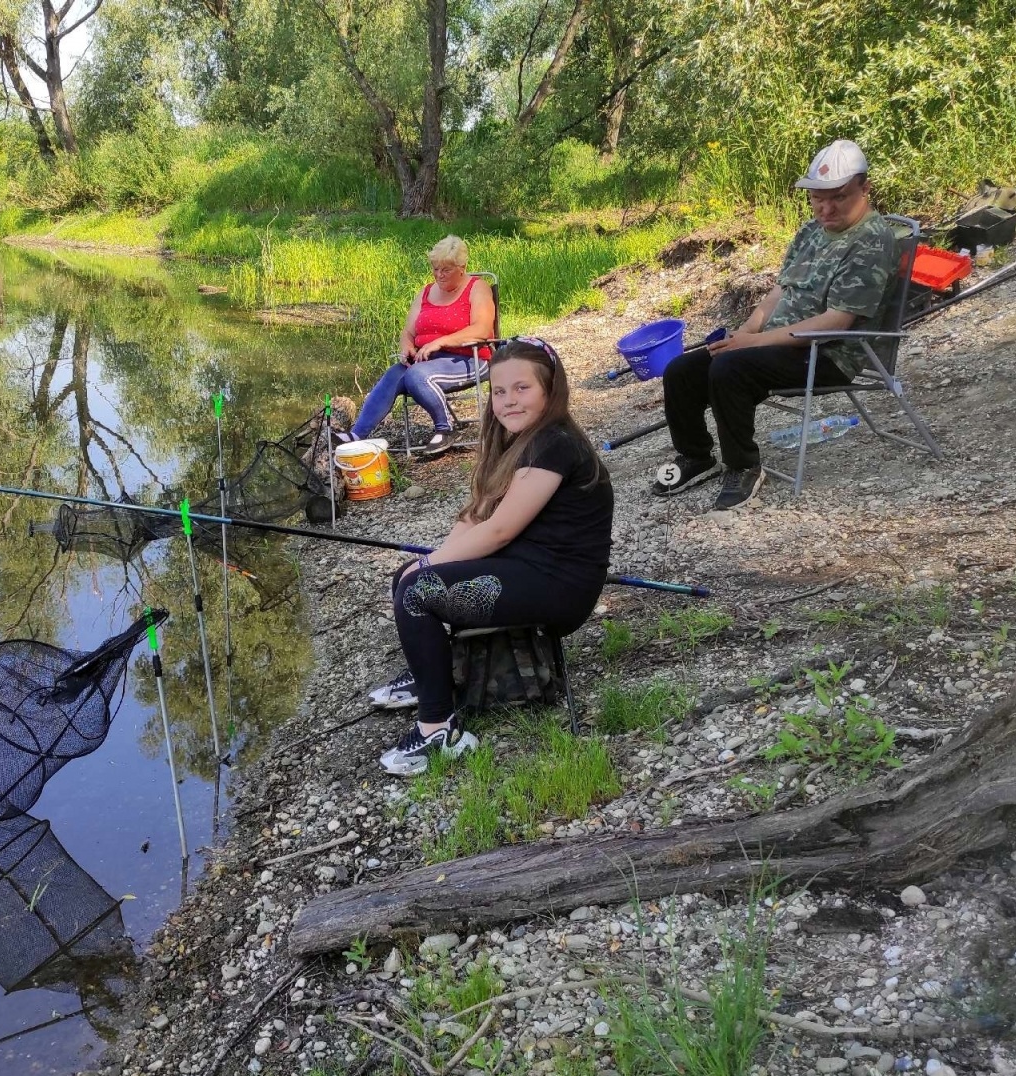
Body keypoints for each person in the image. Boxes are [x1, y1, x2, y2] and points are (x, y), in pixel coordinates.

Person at [368, 336, 614, 776]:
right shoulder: (515, 438)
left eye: (522, 388)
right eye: (499, 391)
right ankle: (433, 679)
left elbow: (499, 532)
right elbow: (479, 514)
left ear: (549, 389)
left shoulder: (554, 443)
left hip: (560, 587)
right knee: (409, 576)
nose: (508, 401)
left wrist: (429, 569)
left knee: (416, 591)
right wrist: (434, 559)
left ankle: (439, 731)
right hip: (526, 566)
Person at [650, 139, 899, 511]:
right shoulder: (811, 231)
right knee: (682, 369)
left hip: (829, 354)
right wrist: (749, 330)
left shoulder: (872, 240)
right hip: (777, 342)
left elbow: (837, 321)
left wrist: (752, 345)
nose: (826, 208)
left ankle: (743, 466)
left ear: (865, 189)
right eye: (817, 198)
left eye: (839, 197)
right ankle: (697, 456)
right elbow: (779, 291)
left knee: (730, 367)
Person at [343, 235, 496, 457]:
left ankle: (445, 429)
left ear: (462, 267)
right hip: (427, 362)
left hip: (469, 358)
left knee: (416, 375)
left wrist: (440, 341)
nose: (439, 275)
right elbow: (408, 331)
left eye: (446, 269)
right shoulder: (425, 292)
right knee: (394, 374)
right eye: (435, 269)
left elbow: (482, 329)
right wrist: (406, 345)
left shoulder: (477, 287)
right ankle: (356, 435)